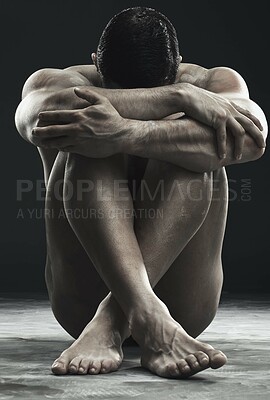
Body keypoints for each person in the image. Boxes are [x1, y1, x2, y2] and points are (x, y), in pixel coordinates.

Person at [15, 7, 267, 379]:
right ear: (95, 66)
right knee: (87, 142)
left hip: (182, 303)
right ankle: (146, 315)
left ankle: (114, 319)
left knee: (191, 157)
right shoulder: (55, 82)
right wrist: (179, 97)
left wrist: (126, 133)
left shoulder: (216, 82)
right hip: (80, 300)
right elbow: (36, 121)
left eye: (174, 86)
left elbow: (252, 139)